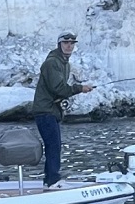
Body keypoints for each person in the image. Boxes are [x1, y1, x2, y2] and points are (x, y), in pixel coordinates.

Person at [32, 31, 95, 189]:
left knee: (54, 145)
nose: (69, 45)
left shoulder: (63, 63)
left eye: (72, 43)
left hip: (50, 111)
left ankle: (49, 180)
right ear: (59, 44)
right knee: (53, 145)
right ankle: (53, 180)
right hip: (45, 111)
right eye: (65, 42)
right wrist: (80, 88)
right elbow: (58, 88)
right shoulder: (52, 62)